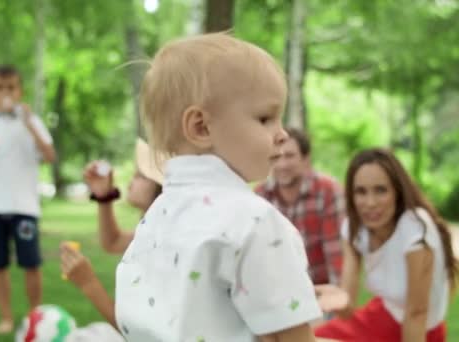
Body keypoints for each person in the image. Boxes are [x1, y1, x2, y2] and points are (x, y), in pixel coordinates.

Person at [115, 32, 326, 342]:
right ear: (201, 127)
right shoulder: (254, 222)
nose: (281, 134)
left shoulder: (157, 217)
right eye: (265, 118)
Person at [314, 148, 459, 342]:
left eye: (380, 190)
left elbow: (417, 313)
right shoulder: (353, 228)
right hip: (383, 313)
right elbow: (348, 310)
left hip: (421, 329)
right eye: (361, 192)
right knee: (306, 338)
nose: (370, 203)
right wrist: (337, 298)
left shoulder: (415, 226)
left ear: (397, 192)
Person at [0, 64, 56, 334]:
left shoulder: (32, 122)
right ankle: (5, 316)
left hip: (24, 207)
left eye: (11, 88)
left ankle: (34, 317)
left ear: (19, 91)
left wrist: (30, 124)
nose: (5, 93)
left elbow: (50, 157)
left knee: (31, 263)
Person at [60, 138, 165, 328]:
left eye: (140, 175)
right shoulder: (154, 232)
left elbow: (137, 333)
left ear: (161, 188)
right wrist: (103, 197)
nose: (131, 180)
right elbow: (113, 241)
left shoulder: (164, 244)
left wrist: (88, 282)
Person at [255, 127, 345, 285]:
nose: (282, 165)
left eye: (289, 156)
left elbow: (336, 254)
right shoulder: (260, 197)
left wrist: (337, 301)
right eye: (277, 157)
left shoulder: (328, 191)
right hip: (278, 291)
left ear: (306, 159)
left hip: (320, 291)